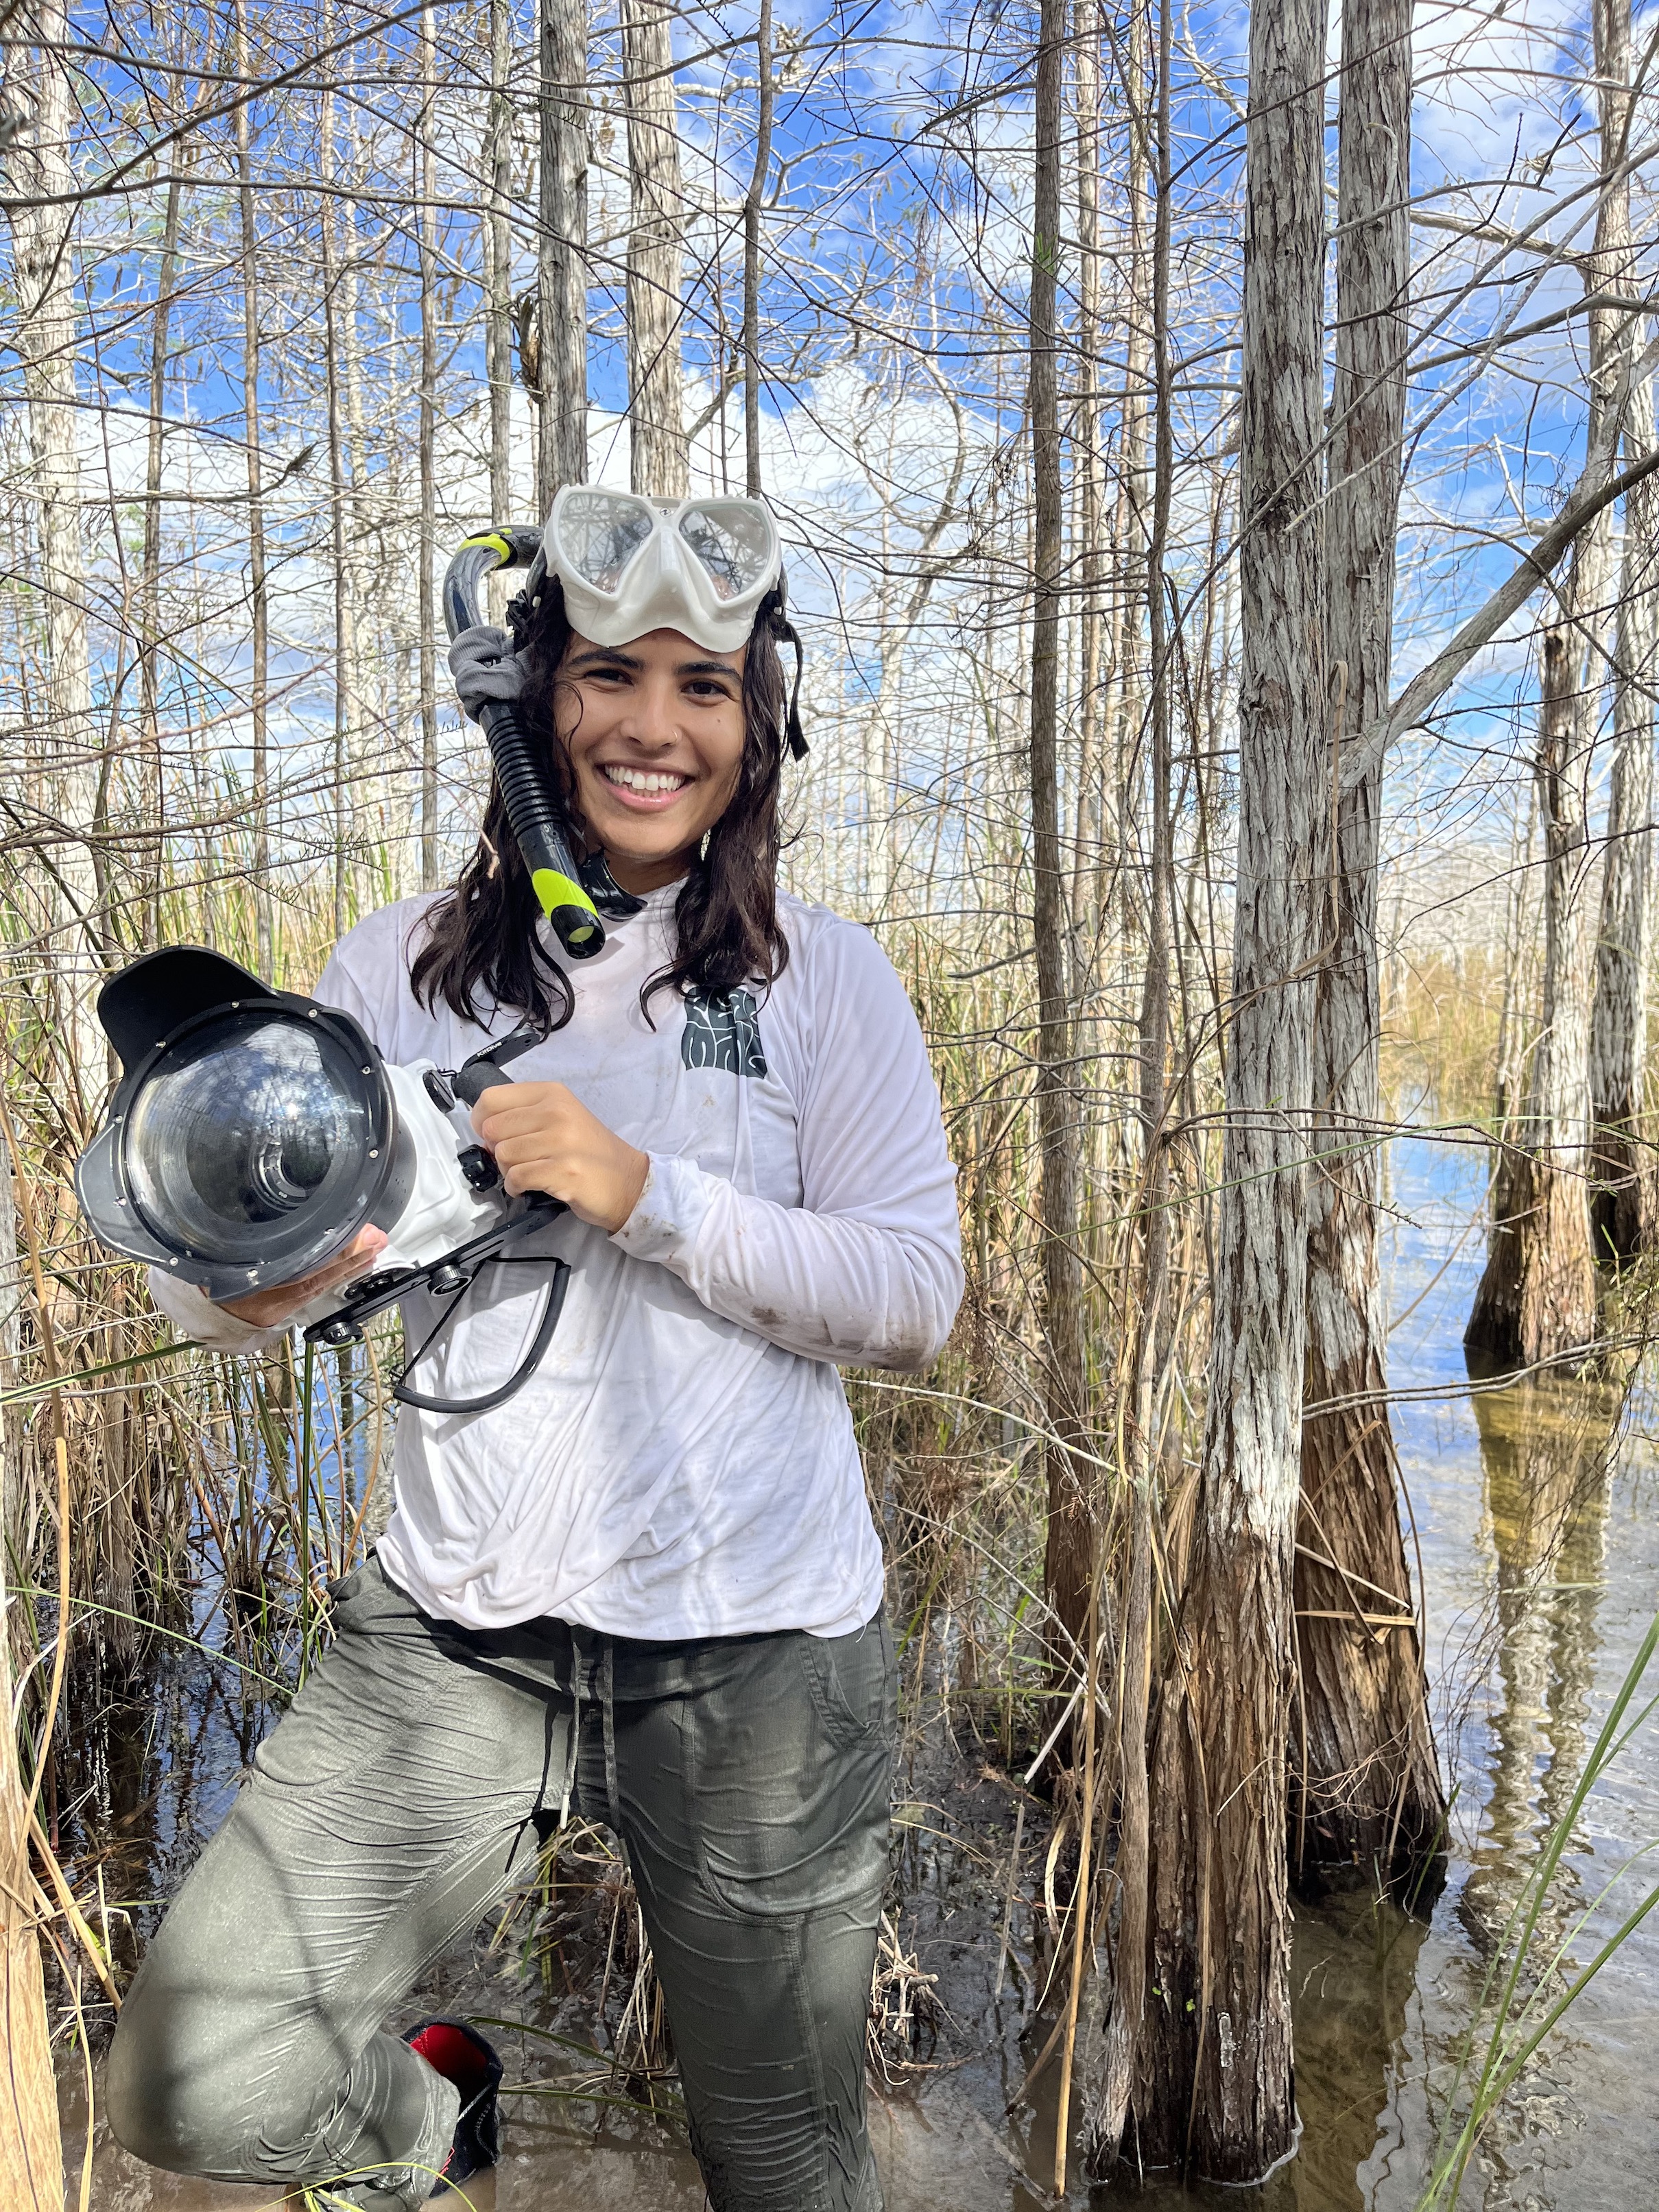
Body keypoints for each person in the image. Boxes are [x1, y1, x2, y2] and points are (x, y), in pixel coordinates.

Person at [105, 488, 964, 2212]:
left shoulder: (826, 981)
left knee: (788, 2163)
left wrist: (647, 1191)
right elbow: (231, 1259)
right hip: (452, 1631)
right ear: (528, 699)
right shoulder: (397, 966)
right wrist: (247, 1293)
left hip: (757, 1651)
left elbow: (912, 1289)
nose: (654, 726)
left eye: (702, 685)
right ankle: (435, 2125)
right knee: (200, 2076)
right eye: (609, 676)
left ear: (760, 716)